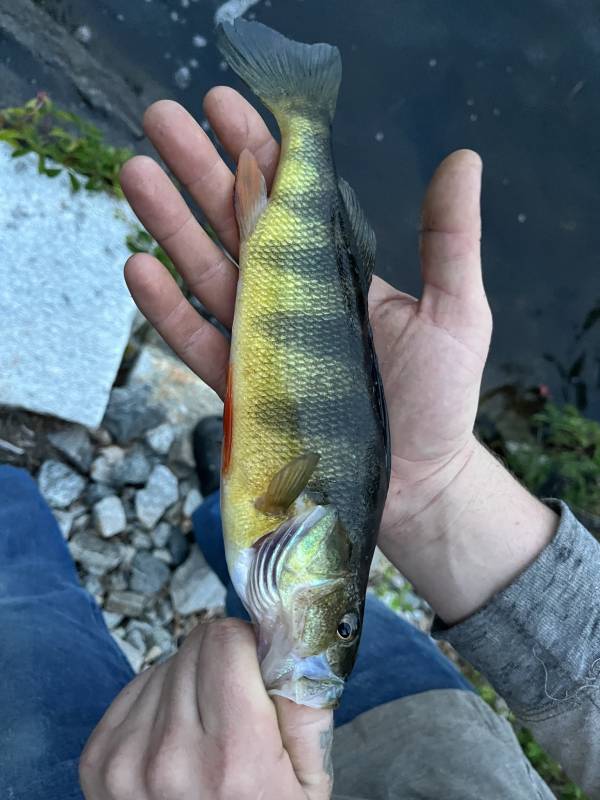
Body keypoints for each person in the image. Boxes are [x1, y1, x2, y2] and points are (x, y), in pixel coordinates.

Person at [1, 87, 598, 800]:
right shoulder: (309, 568)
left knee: (25, 620)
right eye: (340, 619)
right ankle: (202, 510)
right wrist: (441, 488)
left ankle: (78, 501)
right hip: (438, 745)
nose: (333, 636)